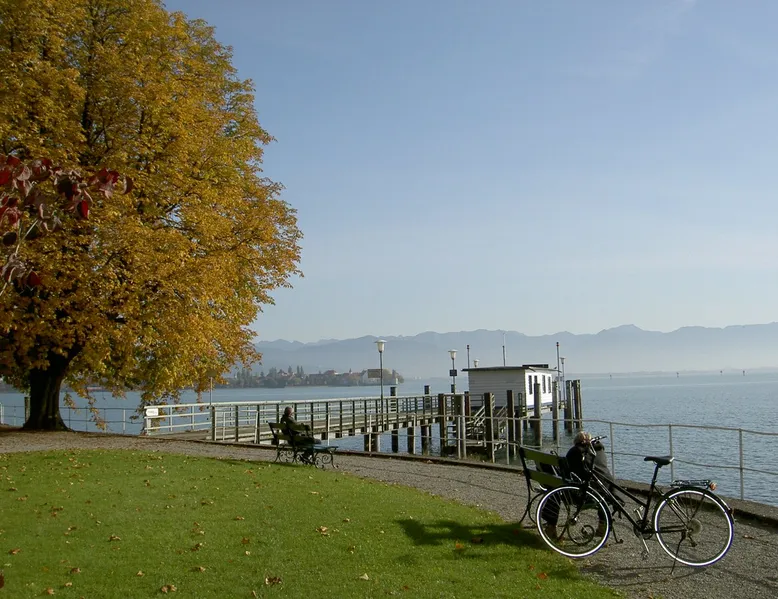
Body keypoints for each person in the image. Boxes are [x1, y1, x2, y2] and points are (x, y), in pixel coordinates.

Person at [541, 431, 612, 541]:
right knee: (603, 492)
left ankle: (551, 526)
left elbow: (568, 474)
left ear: (576, 442)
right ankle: (603, 527)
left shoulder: (575, 453)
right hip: (602, 494)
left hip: (580, 496)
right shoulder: (599, 452)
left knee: (556, 488)